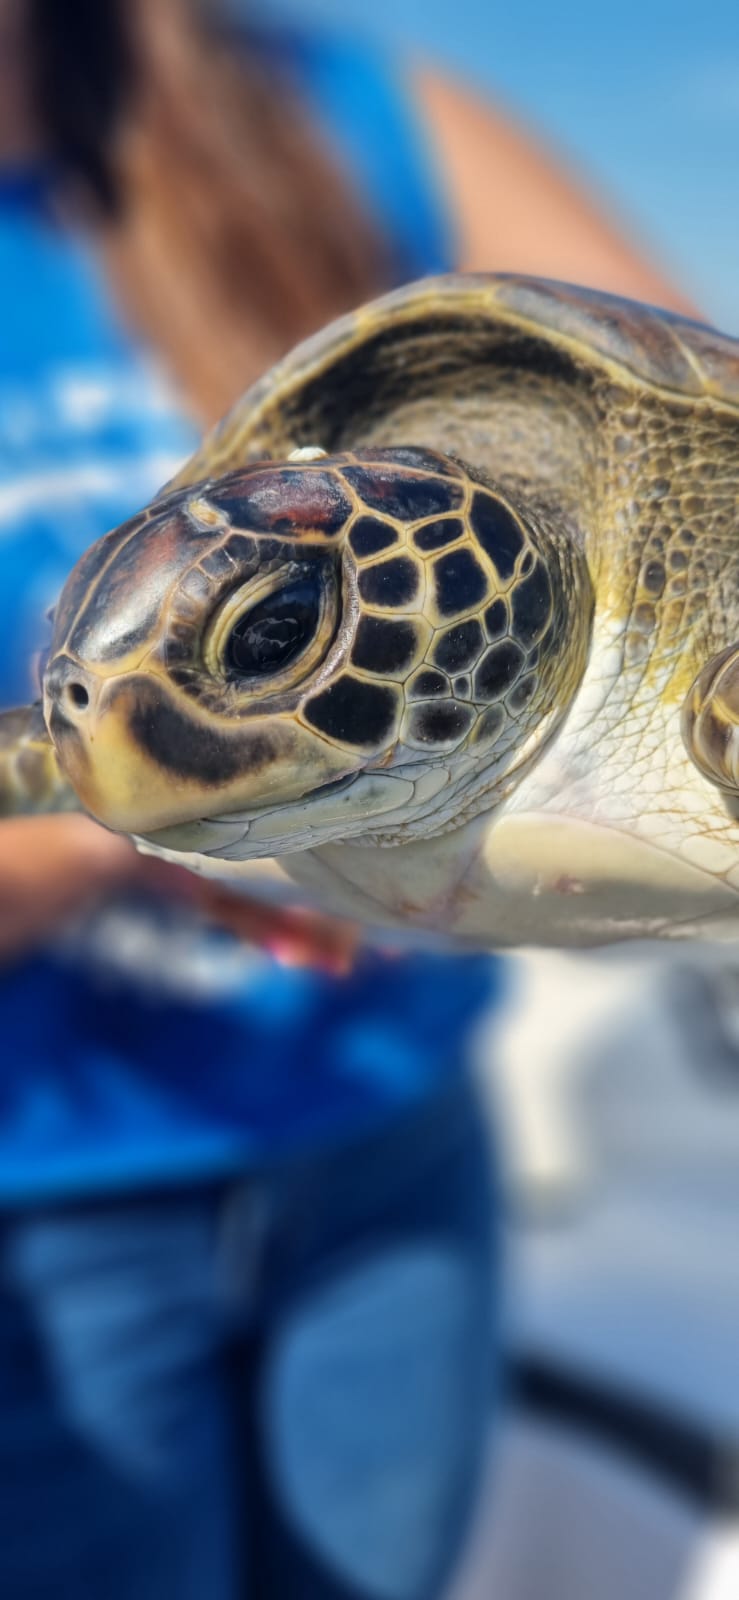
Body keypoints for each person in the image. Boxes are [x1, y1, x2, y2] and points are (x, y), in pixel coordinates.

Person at [0, 2, 691, 1597]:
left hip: (387, 1139)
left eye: (278, 644)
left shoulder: (327, 111)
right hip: (50, 1206)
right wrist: (116, 839)